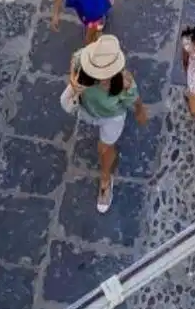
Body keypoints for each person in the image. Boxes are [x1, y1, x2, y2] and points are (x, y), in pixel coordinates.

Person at [63, 33, 149, 212]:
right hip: (86, 110)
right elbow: (74, 58)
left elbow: (134, 100)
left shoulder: (125, 84)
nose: (103, 79)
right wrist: (72, 77)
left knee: (104, 148)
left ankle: (105, 178)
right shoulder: (85, 59)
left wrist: (140, 111)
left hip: (111, 117)